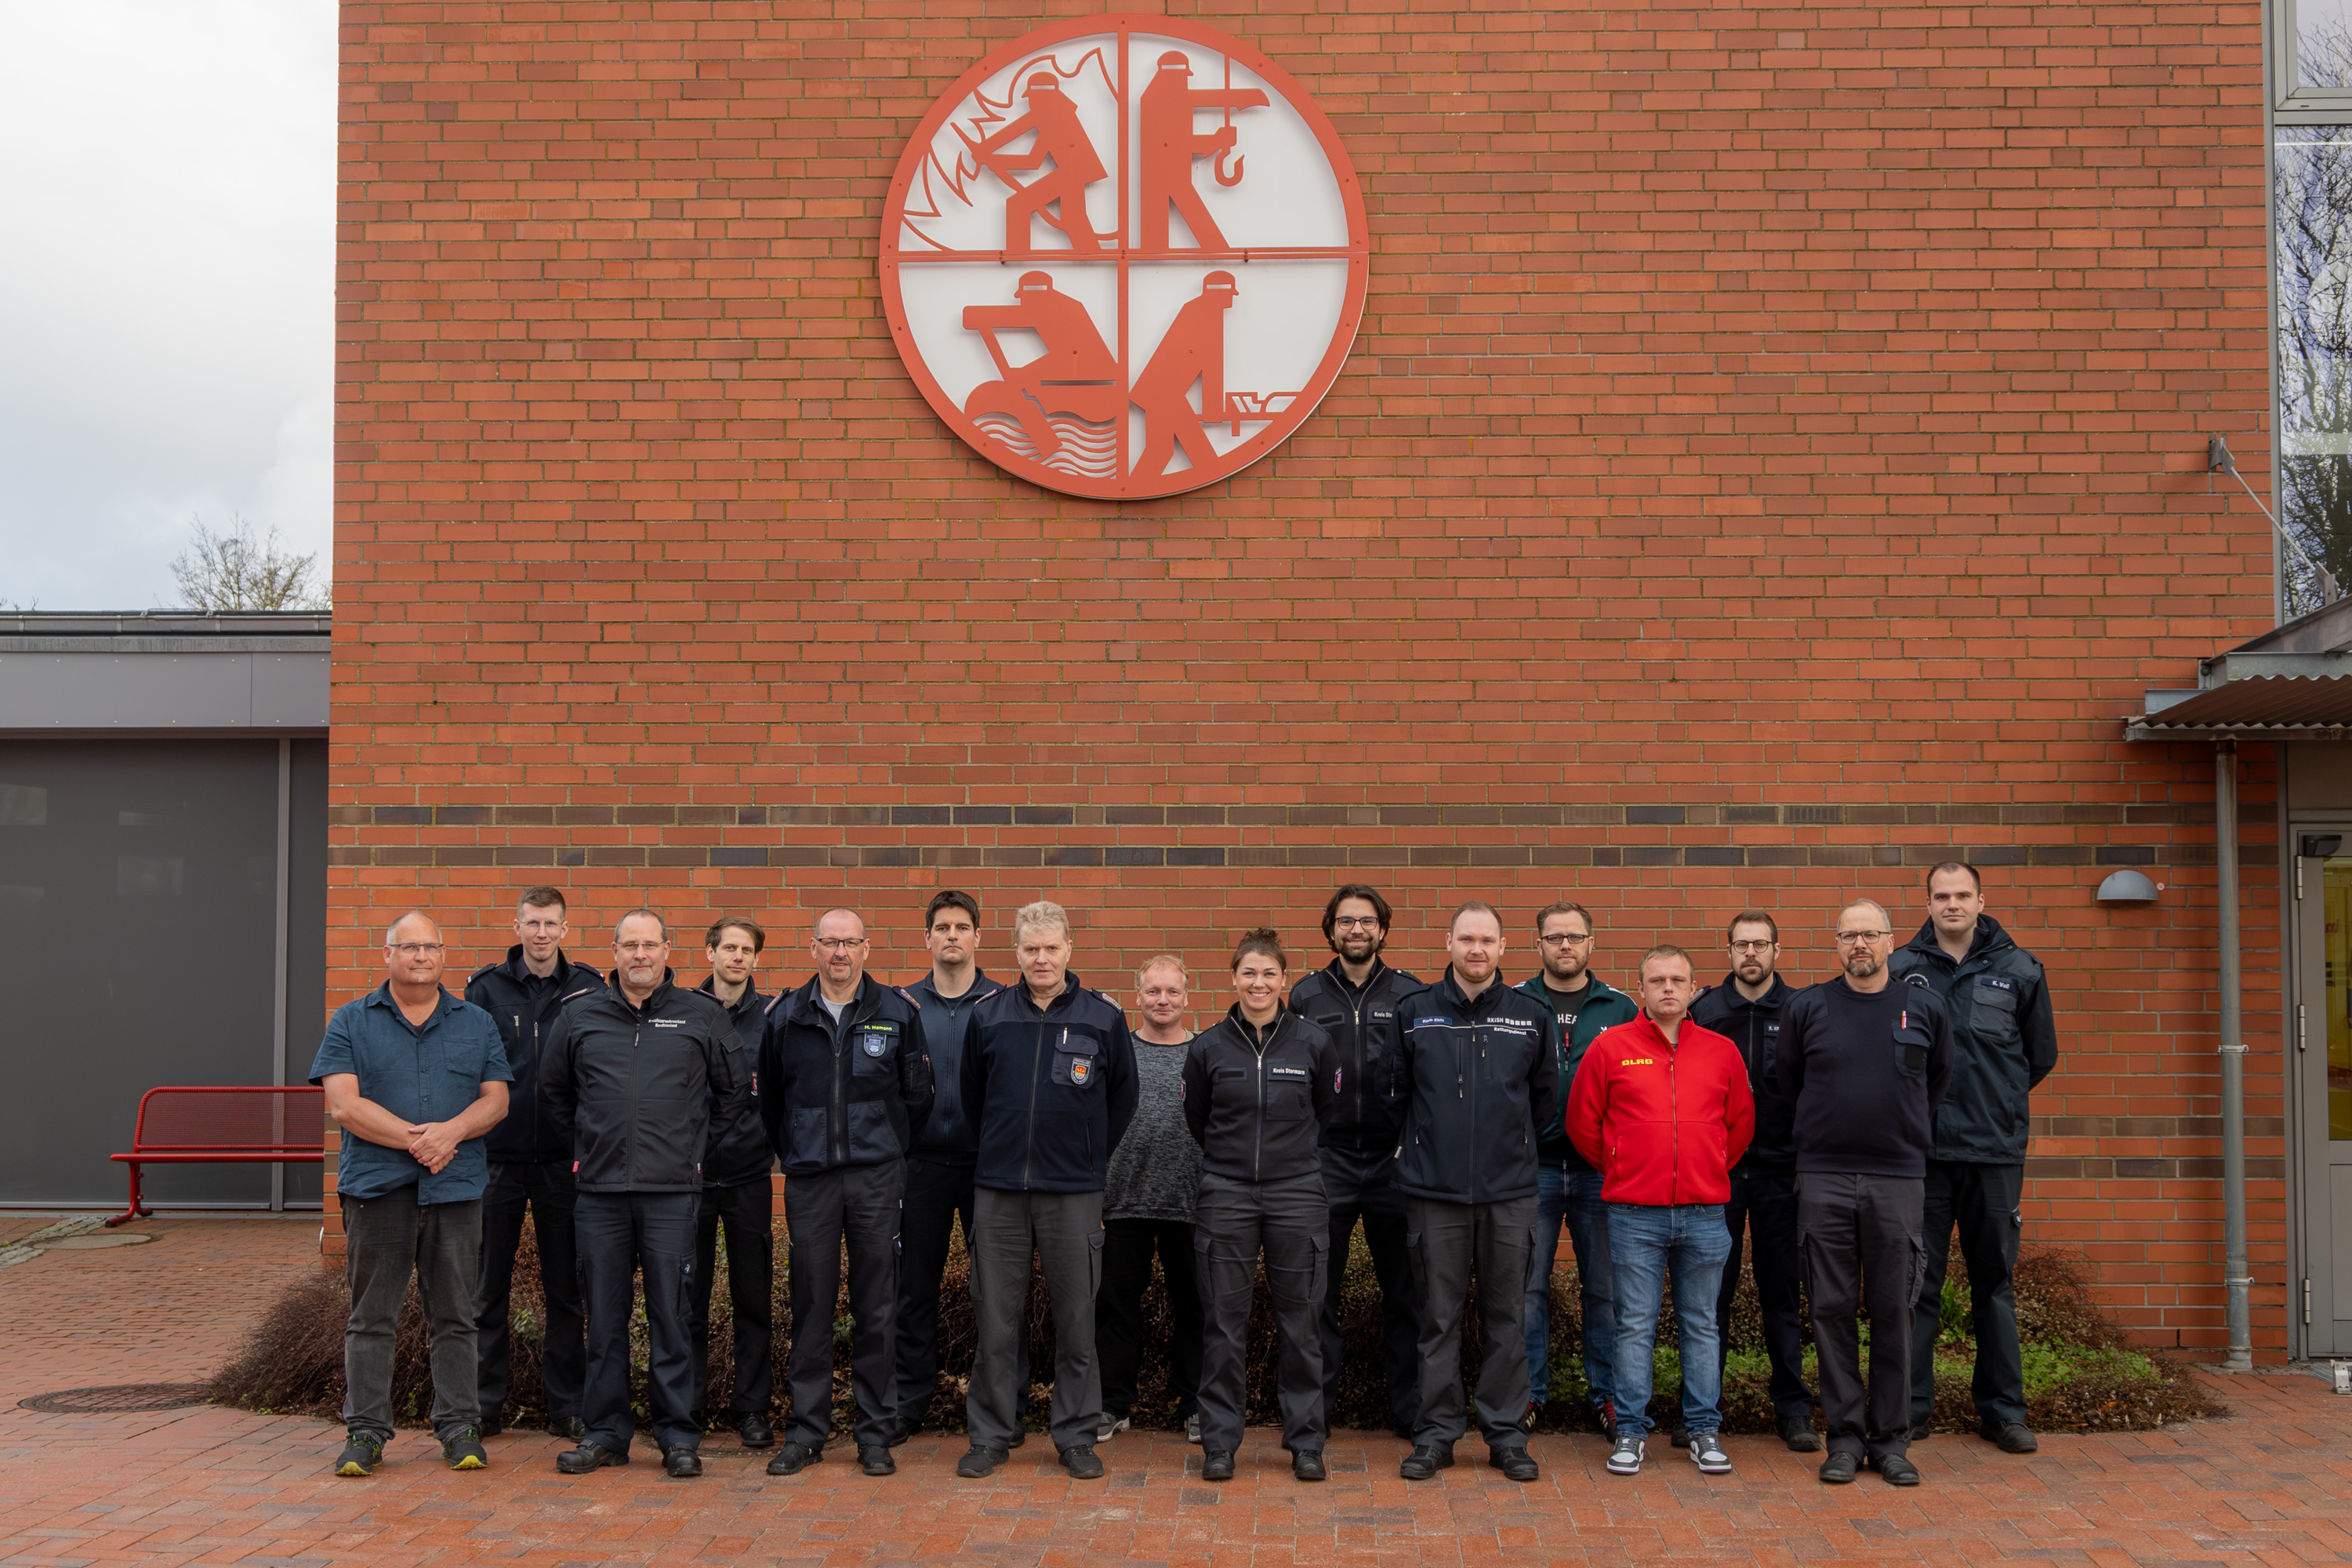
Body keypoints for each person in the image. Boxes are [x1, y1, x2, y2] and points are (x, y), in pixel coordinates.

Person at [541, 909, 745, 1479]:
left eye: (650, 945)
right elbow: (554, 1093)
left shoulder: (702, 1016)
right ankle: (605, 1433)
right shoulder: (579, 1016)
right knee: (604, 1322)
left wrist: (693, 1149)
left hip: (671, 1195)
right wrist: (586, 1146)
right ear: (613, 951)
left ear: (668, 949)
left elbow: (732, 1095)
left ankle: (678, 1436)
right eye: (629, 945)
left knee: (672, 1318)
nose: (640, 955)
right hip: (600, 1194)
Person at [314, 910, 511, 1477]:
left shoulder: (475, 1022)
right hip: (379, 1190)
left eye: (431, 946)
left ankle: (460, 1429)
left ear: (443, 954)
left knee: (456, 1316)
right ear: (388, 955)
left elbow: (495, 1101)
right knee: (372, 1318)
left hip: (455, 1190)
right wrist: (419, 1141)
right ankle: (366, 1434)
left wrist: (451, 1133)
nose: (421, 956)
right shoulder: (351, 1021)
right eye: (409, 947)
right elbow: (344, 1105)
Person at [954, 900, 1138, 1482]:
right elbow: (971, 1096)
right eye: (1030, 948)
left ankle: (1076, 1436)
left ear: (1069, 950)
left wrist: (1086, 1157)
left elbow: (1122, 1099)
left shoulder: (1102, 1018)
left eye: (1051, 947)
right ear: (1015, 953)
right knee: (997, 1321)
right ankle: (991, 1434)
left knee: (1077, 1321)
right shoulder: (988, 1016)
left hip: (1073, 1192)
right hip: (1000, 1190)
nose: (1041, 958)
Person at [1777, 898, 1955, 1486]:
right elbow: (1790, 1081)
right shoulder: (1809, 1007)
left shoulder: (1924, 1006)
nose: (1859, 944)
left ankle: (1892, 1440)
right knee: (1828, 1310)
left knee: (1894, 1311)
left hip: (1898, 1179)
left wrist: (1900, 1135)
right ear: (1837, 944)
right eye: (1849, 935)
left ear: (1889, 942)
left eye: (1870, 934)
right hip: (1824, 1176)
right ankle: (1846, 1440)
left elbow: (1936, 1082)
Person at [1385, 902, 1558, 1483]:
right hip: (1434, 1195)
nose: (1476, 949)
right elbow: (1396, 1096)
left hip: (1509, 1193)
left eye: (1487, 940)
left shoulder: (1529, 1015)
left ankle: (1506, 1436)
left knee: (1509, 1315)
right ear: (1450, 944)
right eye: (1466, 939)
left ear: (1504, 947)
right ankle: (1435, 1435)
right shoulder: (1414, 1013)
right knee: (1438, 1318)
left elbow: (1544, 1102)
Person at [757, 909, 934, 1479]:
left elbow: (918, 1095)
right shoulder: (784, 1015)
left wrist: (884, 1146)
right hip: (809, 1178)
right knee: (810, 1303)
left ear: (866, 948)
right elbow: (770, 1104)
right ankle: (807, 1432)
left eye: (849, 943)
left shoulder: (897, 1014)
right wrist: (799, 1148)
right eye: (829, 943)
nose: (839, 953)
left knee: (877, 1305)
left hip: (877, 1178)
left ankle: (875, 1433)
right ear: (812, 948)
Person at [1567, 944, 1753, 1479]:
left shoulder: (1720, 1051)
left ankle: (1703, 1430)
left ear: (1694, 989)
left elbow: (1740, 1123)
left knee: (1701, 1324)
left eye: (1678, 980)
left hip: (1703, 1212)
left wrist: (1710, 1165)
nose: (1668, 988)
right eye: (1657, 980)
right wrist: (1625, 1168)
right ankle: (1629, 1430)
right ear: (1640, 990)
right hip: (1633, 1213)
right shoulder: (1611, 1049)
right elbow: (1584, 1122)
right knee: (1634, 1326)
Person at [1892, 862, 2060, 1454]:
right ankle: (1910, 1411)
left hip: (1993, 1153)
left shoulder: (2020, 969)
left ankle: (2004, 1412)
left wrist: (1997, 1103)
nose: (1952, 904)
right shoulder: (1900, 970)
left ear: (1982, 899)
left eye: (1963, 895)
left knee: (1994, 1284)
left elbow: (2039, 1059)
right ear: (1928, 902)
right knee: (1919, 1286)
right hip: (1925, 1155)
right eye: (1942, 896)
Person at [1182, 930, 1342, 1483]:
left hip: (1297, 1191)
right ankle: (1221, 1443)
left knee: (1301, 1323)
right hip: (1225, 1192)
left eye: (1269, 974)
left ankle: (1305, 1442)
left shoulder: (1313, 1043)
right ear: (1233, 978)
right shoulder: (1207, 1047)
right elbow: (1198, 1120)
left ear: (1283, 980)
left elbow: (1327, 1110)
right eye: (1248, 973)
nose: (1258, 983)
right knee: (1224, 1325)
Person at [1289, 884, 1423, 1439]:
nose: (1357, 930)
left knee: (1408, 1293)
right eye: (1346, 921)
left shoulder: (1413, 996)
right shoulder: (1304, 996)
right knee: (1315, 1292)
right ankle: (1313, 1415)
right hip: (1329, 1159)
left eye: (1367, 921)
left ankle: (1412, 1411)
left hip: (1395, 1161)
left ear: (1383, 930)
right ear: (1330, 930)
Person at [466, 886, 596, 1442]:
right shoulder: (485, 988)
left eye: (551, 924)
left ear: (565, 929)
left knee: (566, 1290)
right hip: (496, 1158)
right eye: (532, 923)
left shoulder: (589, 987)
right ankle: (482, 1405)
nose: (541, 934)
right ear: (516, 926)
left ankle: (567, 1405)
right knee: (486, 1287)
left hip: (565, 1163)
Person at [1686, 909, 1817, 1451]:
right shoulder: (1706, 1010)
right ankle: (1702, 1410)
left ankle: (1793, 1409)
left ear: (1777, 951)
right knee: (1708, 1296)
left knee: (1782, 1293)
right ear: (1730, 949)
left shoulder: (1803, 1009)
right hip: (1719, 1174)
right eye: (1742, 945)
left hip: (1782, 1174)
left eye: (1761, 945)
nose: (1751, 954)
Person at [887, 890, 1014, 1444]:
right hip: (920, 1167)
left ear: (978, 937)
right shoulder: (900, 1005)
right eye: (942, 927)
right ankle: (908, 1403)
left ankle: (1001, 1408)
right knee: (914, 1289)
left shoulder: (1004, 1004)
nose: (953, 936)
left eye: (963, 927)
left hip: (989, 1169)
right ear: (928, 938)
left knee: (997, 1293)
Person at [1513, 899, 1637, 1430]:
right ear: (1538, 944)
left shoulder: (1622, 1008)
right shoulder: (1513, 1003)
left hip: (1599, 1171)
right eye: (1555, 936)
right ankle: (1528, 1396)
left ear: (1592, 943)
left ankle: (1606, 1396)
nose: (1565, 945)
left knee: (1606, 1291)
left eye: (1574, 936)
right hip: (1530, 1167)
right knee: (1528, 1290)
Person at [1095, 954, 1204, 1445]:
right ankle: (1112, 1404)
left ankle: (1196, 1406)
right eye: (1153, 992)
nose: (1163, 1000)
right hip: (1123, 1202)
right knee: (1115, 1308)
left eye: (1172, 992)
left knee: (1198, 1308)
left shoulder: (1205, 1053)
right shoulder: (1119, 1051)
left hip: (1193, 1203)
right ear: (1137, 997)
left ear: (1187, 998)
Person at [688, 915, 776, 1448]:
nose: (738, 958)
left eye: (747, 950)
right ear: (709, 952)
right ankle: (688, 1407)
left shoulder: (772, 1018)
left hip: (747, 1175)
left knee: (753, 1297)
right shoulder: (682, 1012)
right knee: (686, 1299)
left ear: (755, 960)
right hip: (688, 1179)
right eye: (729, 948)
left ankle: (753, 1409)